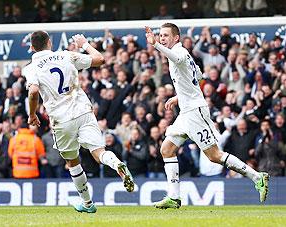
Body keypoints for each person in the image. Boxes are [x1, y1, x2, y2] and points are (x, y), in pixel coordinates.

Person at [145, 23, 269, 209]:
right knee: (167, 149)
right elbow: (198, 76)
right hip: (186, 111)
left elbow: (178, 59)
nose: (162, 38)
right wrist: (179, 96)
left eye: (165, 36)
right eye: (160, 36)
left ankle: (257, 177)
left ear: (176, 38)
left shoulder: (179, 52)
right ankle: (174, 197)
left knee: (214, 155)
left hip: (195, 112)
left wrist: (155, 44)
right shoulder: (182, 55)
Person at [24, 31, 134, 213]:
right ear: (50, 43)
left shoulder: (30, 68)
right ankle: (117, 164)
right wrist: (84, 44)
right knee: (99, 151)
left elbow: (33, 91)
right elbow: (99, 59)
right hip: (84, 110)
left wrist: (32, 114)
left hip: (62, 119)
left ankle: (88, 203)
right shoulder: (66, 55)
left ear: (32, 48)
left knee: (72, 161)